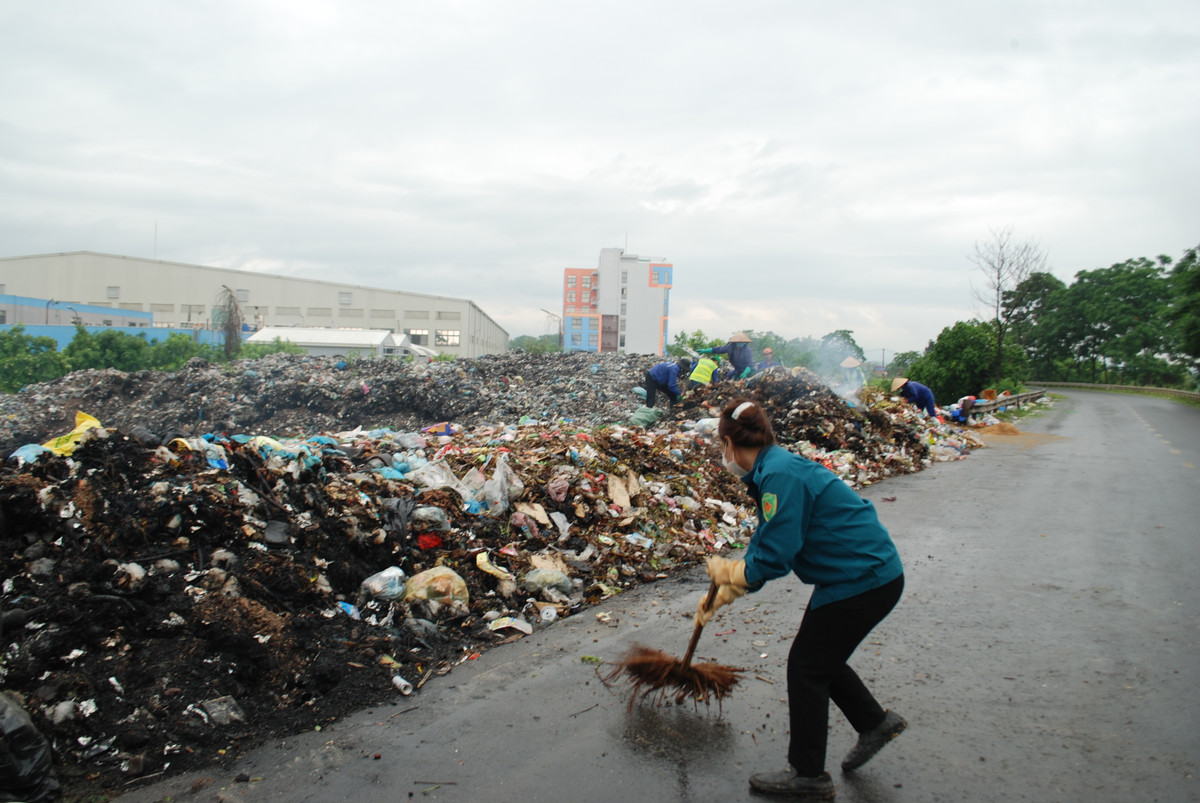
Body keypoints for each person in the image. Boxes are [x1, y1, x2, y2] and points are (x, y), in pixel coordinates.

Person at [697, 398, 906, 799]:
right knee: (820, 657)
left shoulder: (778, 476)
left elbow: (778, 553)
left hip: (864, 579)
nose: (722, 456)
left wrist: (733, 574)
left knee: (807, 666)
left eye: (720, 447)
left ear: (729, 443)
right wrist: (727, 592)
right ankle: (875, 723)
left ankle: (809, 775)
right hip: (858, 575)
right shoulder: (772, 469)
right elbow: (768, 539)